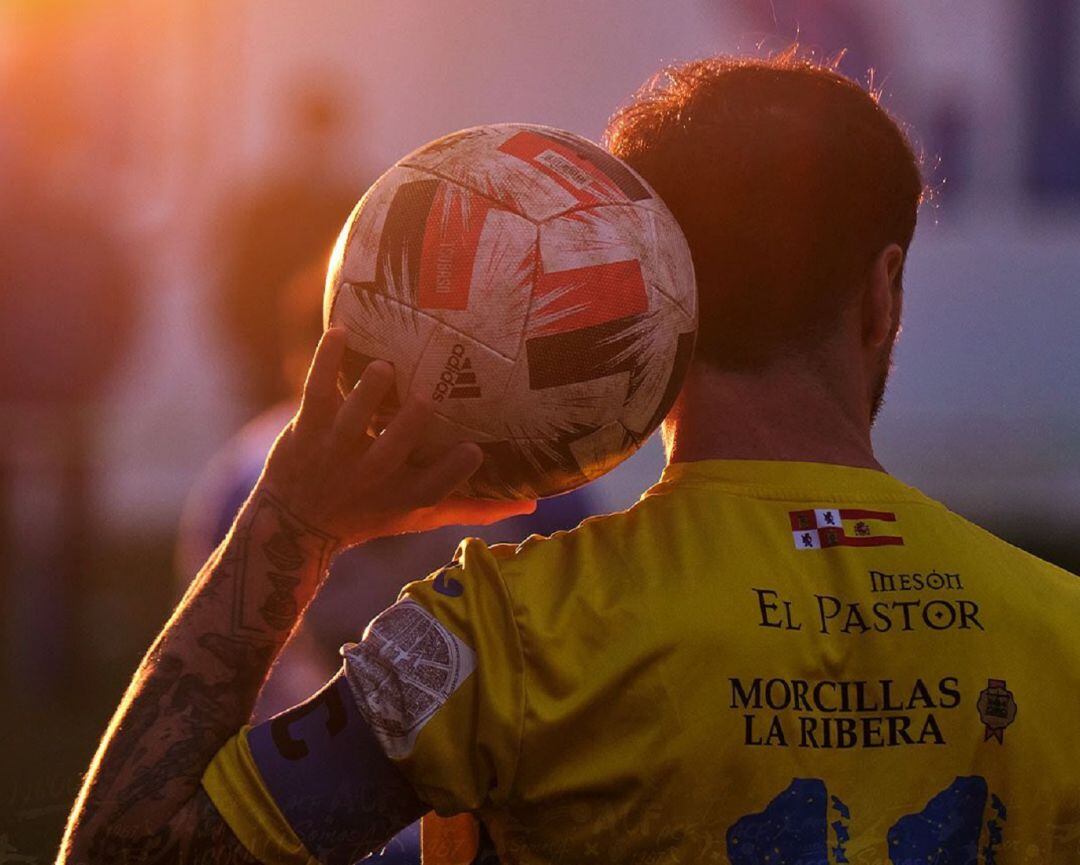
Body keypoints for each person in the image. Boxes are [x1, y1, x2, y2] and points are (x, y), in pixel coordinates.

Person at [60, 52, 1080, 864]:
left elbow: (125, 846)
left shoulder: (505, 635)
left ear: (632, 283)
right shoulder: (1059, 634)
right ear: (882, 293)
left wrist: (292, 514)